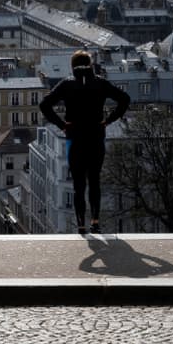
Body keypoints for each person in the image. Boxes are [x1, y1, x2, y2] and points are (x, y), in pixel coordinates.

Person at [39, 49, 131, 234]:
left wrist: (62, 124)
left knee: (78, 184)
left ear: (73, 66)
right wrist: (108, 120)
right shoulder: (100, 83)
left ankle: (81, 224)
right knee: (94, 180)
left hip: (75, 136)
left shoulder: (67, 84)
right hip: (96, 135)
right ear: (90, 65)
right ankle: (95, 221)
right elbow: (124, 99)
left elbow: (44, 105)